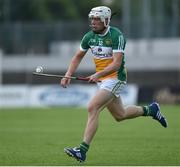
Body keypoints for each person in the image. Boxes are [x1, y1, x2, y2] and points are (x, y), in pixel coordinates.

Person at [60, 6, 168, 162]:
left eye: (97, 19)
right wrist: (68, 74)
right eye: (92, 19)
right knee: (120, 115)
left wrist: (98, 74)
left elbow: (117, 64)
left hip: (117, 78)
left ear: (105, 20)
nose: (93, 22)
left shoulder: (117, 36)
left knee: (93, 107)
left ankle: (82, 150)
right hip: (103, 80)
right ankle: (151, 110)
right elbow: (77, 57)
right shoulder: (89, 37)